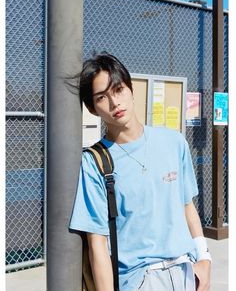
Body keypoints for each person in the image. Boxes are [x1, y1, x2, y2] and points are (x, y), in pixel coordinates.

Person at [69, 52, 211, 291]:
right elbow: (97, 242)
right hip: (139, 280)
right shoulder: (94, 162)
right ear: (93, 109)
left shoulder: (174, 142)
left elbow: (187, 206)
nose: (115, 103)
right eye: (102, 97)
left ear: (131, 89)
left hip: (187, 272)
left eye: (118, 89)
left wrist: (205, 259)